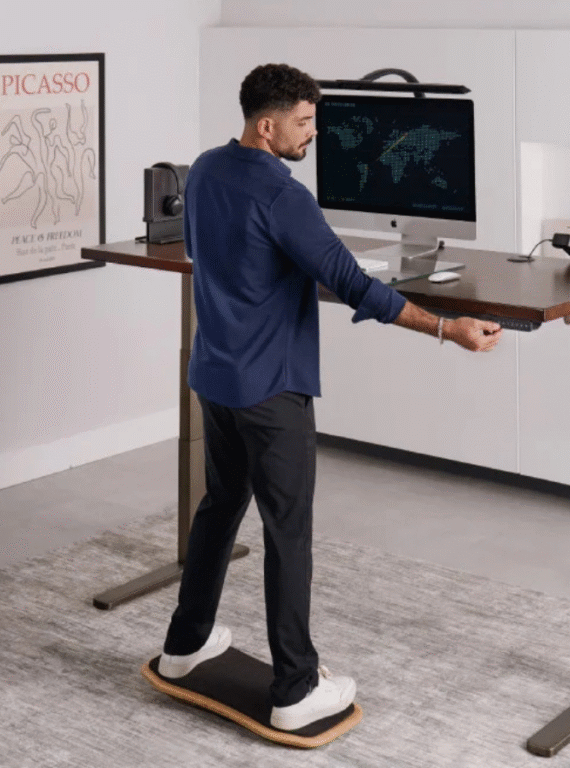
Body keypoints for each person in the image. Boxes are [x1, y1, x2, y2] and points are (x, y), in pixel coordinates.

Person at [158, 63, 502, 732]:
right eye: (304, 123)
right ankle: (294, 689)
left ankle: (184, 643)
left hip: (216, 376)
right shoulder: (283, 197)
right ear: (268, 124)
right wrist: (445, 328)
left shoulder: (202, 170)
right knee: (288, 533)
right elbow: (351, 281)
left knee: (220, 508)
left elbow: (215, 254)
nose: (313, 135)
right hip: (271, 389)